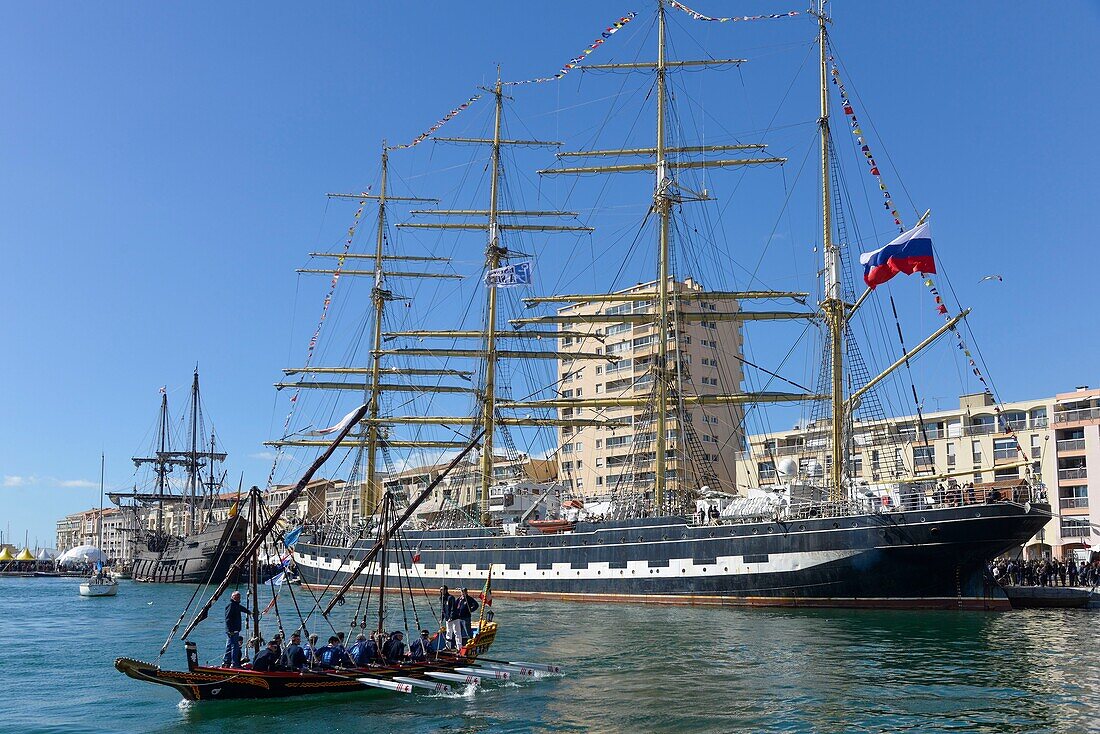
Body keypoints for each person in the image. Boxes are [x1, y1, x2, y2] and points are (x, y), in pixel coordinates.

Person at [223, 590, 250, 668]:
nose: (238, 598)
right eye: (236, 596)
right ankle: (234, 664)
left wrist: (249, 612)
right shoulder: (231, 605)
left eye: (239, 597)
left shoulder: (236, 605)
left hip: (234, 630)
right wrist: (230, 630)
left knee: (229, 645)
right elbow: (227, 619)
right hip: (232, 630)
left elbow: (241, 608)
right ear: (232, 597)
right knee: (234, 646)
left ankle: (226, 662)